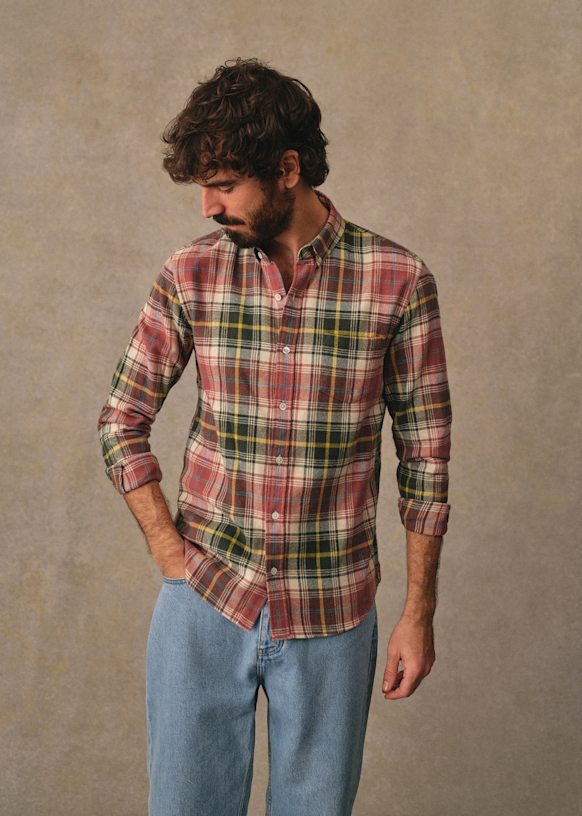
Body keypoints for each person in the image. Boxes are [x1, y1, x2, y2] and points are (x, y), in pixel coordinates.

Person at [97, 57, 452, 816]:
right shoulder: (190, 274)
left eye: (224, 185)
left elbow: (426, 459)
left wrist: (418, 613)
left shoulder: (398, 280)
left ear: (287, 170)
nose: (207, 206)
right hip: (205, 599)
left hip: (333, 610)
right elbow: (121, 421)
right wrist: (167, 550)